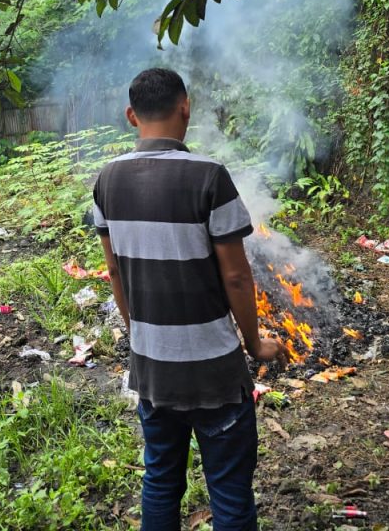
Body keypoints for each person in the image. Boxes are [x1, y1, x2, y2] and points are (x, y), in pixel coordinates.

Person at [93, 68, 287, 531]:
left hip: (153, 366)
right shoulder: (210, 176)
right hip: (214, 370)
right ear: (186, 107)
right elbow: (238, 276)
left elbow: (114, 269)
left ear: (130, 116)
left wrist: (138, 331)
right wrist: (256, 344)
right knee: (230, 490)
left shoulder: (106, 180)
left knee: (160, 480)